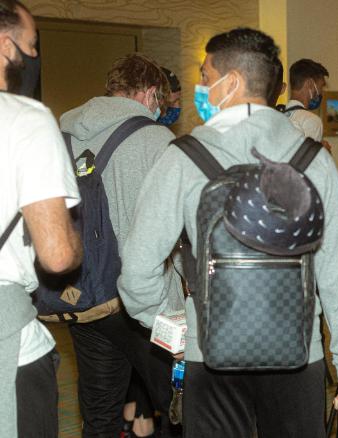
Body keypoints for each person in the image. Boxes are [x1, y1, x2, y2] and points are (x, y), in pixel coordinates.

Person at [117, 28, 338, 437]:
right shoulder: (312, 160)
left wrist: (174, 327)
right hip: (299, 355)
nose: (199, 87)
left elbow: (138, 269)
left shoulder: (182, 158)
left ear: (230, 82)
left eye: (204, 75)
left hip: (210, 355)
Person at [59, 53, 182, 437]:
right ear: (149, 94)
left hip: (83, 293)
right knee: (180, 404)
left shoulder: (63, 131)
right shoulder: (155, 139)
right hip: (142, 299)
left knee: (100, 412)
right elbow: (174, 227)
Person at [0, 2, 82, 437]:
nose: (33, 58)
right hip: (8, 350)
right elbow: (57, 254)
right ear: (4, 45)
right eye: (31, 46)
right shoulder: (26, 119)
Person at [285, 58, 328, 141]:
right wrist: (323, 151)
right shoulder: (311, 121)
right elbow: (308, 154)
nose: (321, 92)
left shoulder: (278, 115)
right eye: (321, 86)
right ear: (310, 84)